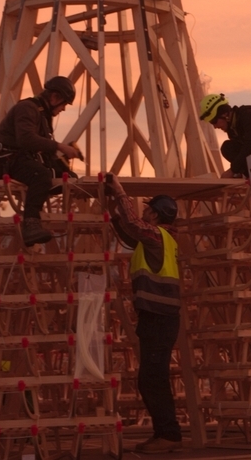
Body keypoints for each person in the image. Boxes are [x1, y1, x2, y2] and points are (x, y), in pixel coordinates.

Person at [105, 177, 183, 454]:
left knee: (153, 378)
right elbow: (128, 231)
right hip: (157, 317)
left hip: (160, 318)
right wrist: (113, 210)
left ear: (156, 215)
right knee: (150, 378)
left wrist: (120, 192)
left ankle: (169, 434)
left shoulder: (157, 236)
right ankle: (164, 433)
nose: (144, 212)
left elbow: (135, 226)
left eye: (148, 209)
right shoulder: (158, 240)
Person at [0, 76, 82, 246]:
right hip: (8, 161)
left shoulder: (42, 115)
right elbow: (26, 139)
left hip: (23, 160)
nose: (64, 109)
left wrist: (64, 161)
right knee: (41, 176)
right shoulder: (27, 108)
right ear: (55, 98)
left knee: (67, 177)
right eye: (64, 104)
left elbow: (43, 150)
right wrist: (60, 147)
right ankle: (31, 224)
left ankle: (40, 217)